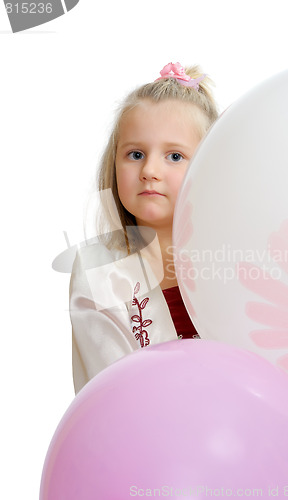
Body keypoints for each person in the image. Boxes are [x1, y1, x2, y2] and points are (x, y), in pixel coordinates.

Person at [69, 62, 219, 393]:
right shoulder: (101, 271)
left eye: (175, 157)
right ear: (114, 164)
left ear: (208, 166)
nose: (150, 170)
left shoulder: (231, 259)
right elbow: (113, 392)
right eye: (135, 153)